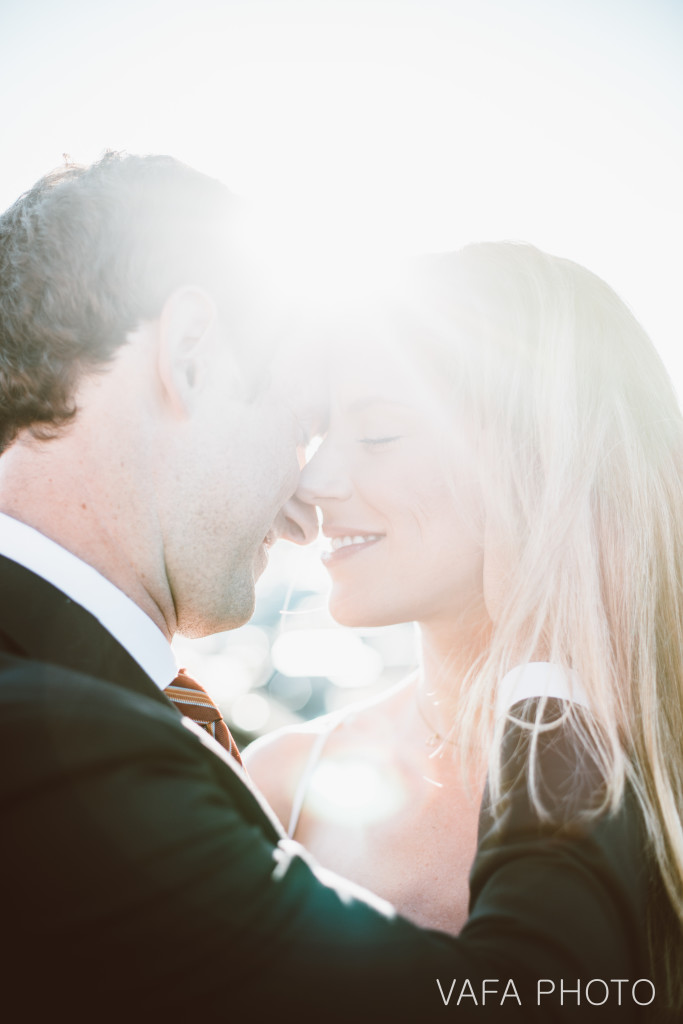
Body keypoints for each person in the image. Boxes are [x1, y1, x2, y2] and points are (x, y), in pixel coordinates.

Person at [0, 157, 651, 1023]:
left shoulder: (87, 714)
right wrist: (551, 663)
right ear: (188, 355)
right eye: (303, 424)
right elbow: (536, 996)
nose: (306, 503)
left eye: (374, 431)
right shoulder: (58, 740)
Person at [246, 242, 683, 1015]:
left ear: (542, 462)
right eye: (316, 434)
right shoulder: (283, 785)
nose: (311, 481)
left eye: (377, 434)